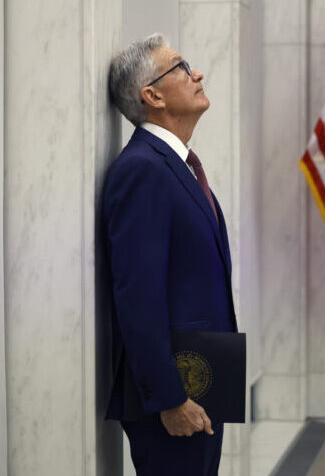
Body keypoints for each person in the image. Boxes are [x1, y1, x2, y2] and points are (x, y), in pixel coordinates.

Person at [102, 33, 237, 476]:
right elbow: (138, 298)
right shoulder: (141, 169)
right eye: (181, 67)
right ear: (152, 95)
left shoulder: (176, 164)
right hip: (173, 397)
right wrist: (170, 398)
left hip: (202, 380)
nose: (196, 73)